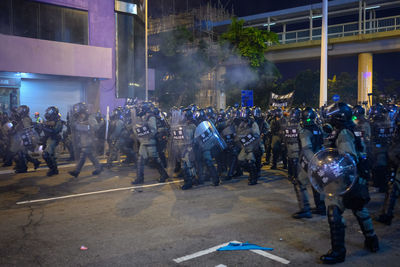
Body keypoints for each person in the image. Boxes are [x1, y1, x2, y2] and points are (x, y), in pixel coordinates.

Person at [320, 102, 378, 264]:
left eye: (332, 117)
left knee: (333, 210)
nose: (330, 119)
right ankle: (372, 240)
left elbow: (348, 158)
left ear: (338, 118)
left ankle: (338, 252)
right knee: (359, 209)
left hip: (345, 178)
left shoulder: (344, 133)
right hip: (357, 176)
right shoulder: (351, 128)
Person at [132, 102, 168, 184]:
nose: (140, 109)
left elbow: (153, 130)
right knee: (140, 160)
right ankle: (140, 178)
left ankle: (164, 174)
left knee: (155, 159)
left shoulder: (151, 117)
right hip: (144, 142)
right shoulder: (143, 116)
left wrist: (146, 136)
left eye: (142, 108)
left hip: (150, 141)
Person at [68, 102, 103, 178]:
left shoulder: (90, 118)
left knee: (83, 157)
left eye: (81, 113)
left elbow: (95, 127)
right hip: (83, 141)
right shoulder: (81, 119)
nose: (80, 116)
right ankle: (99, 167)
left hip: (89, 141)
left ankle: (76, 171)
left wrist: (84, 126)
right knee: (91, 156)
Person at [235, 107, 260, 185]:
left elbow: (256, 134)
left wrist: (249, 131)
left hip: (252, 146)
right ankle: (252, 173)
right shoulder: (242, 123)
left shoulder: (253, 123)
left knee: (250, 162)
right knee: (240, 161)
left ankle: (253, 178)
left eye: (244, 113)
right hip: (245, 146)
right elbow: (238, 134)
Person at [42, 106, 63, 176]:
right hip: (49, 139)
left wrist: (43, 127)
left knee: (48, 155)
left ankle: (53, 169)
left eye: (49, 112)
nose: (47, 114)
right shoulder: (49, 121)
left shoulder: (58, 121)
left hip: (55, 140)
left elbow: (54, 131)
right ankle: (54, 170)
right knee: (50, 156)